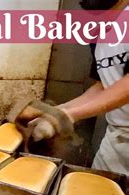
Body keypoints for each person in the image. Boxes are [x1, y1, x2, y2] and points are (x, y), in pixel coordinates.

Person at [15, 0, 129, 174]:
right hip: (115, 144)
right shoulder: (101, 30)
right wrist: (57, 112)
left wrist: (69, 115)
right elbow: (106, 85)